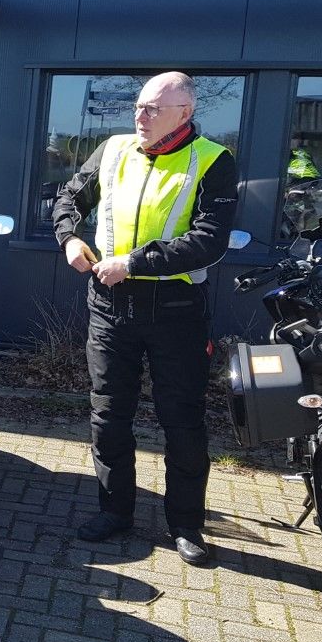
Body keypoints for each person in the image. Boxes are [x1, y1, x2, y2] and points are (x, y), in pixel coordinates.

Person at [52, 71, 239, 566]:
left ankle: (186, 524)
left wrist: (133, 263)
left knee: (182, 420)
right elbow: (68, 197)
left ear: (184, 113)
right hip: (109, 308)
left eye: (154, 108)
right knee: (108, 414)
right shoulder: (113, 149)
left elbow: (209, 241)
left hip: (176, 311)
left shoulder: (213, 160)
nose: (141, 116)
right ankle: (115, 511)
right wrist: (70, 237)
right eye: (138, 106)